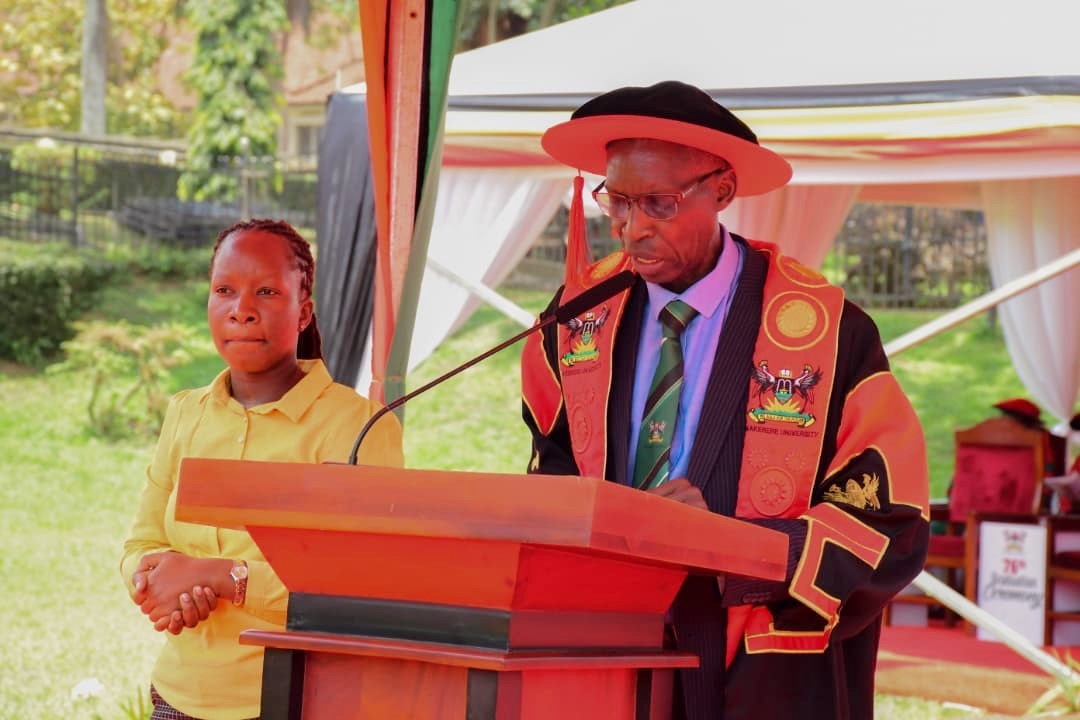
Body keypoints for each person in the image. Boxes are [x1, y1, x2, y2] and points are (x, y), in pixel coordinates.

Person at [520, 81, 929, 720]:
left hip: (753, 652)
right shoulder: (578, 319)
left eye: (658, 202)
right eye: (617, 201)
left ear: (722, 191)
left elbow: (887, 521)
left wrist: (728, 546)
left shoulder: (828, 333)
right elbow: (553, 467)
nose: (632, 228)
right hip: (604, 642)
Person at [120, 219, 404, 720]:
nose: (241, 311)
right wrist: (156, 581)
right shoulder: (186, 412)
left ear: (303, 312)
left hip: (296, 701)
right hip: (177, 696)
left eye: (267, 292)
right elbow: (140, 544)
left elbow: (362, 587)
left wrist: (226, 578)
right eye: (224, 290)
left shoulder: (358, 427)